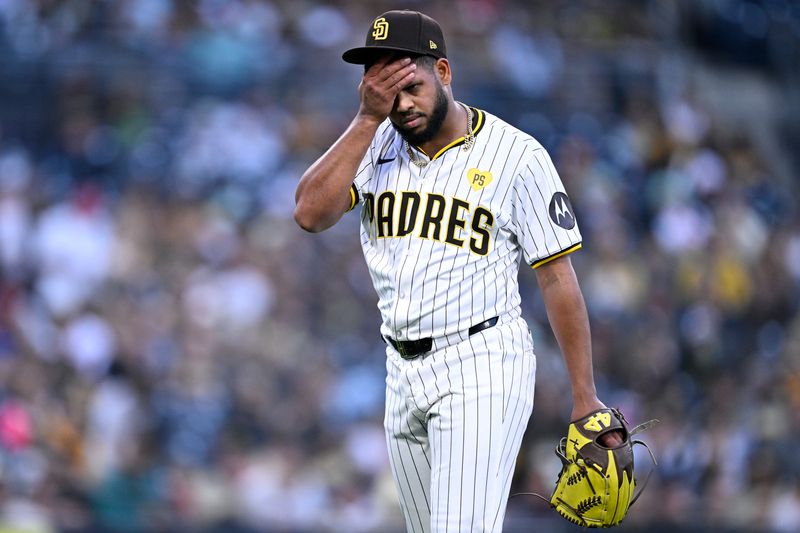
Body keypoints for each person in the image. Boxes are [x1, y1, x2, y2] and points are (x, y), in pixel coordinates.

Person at [294, 10, 622, 532]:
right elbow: (310, 214)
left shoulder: (517, 155)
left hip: (482, 362)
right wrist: (363, 120)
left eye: (411, 85)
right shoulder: (373, 142)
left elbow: (557, 276)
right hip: (401, 371)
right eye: (384, 89)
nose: (401, 103)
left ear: (443, 72)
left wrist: (585, 396)